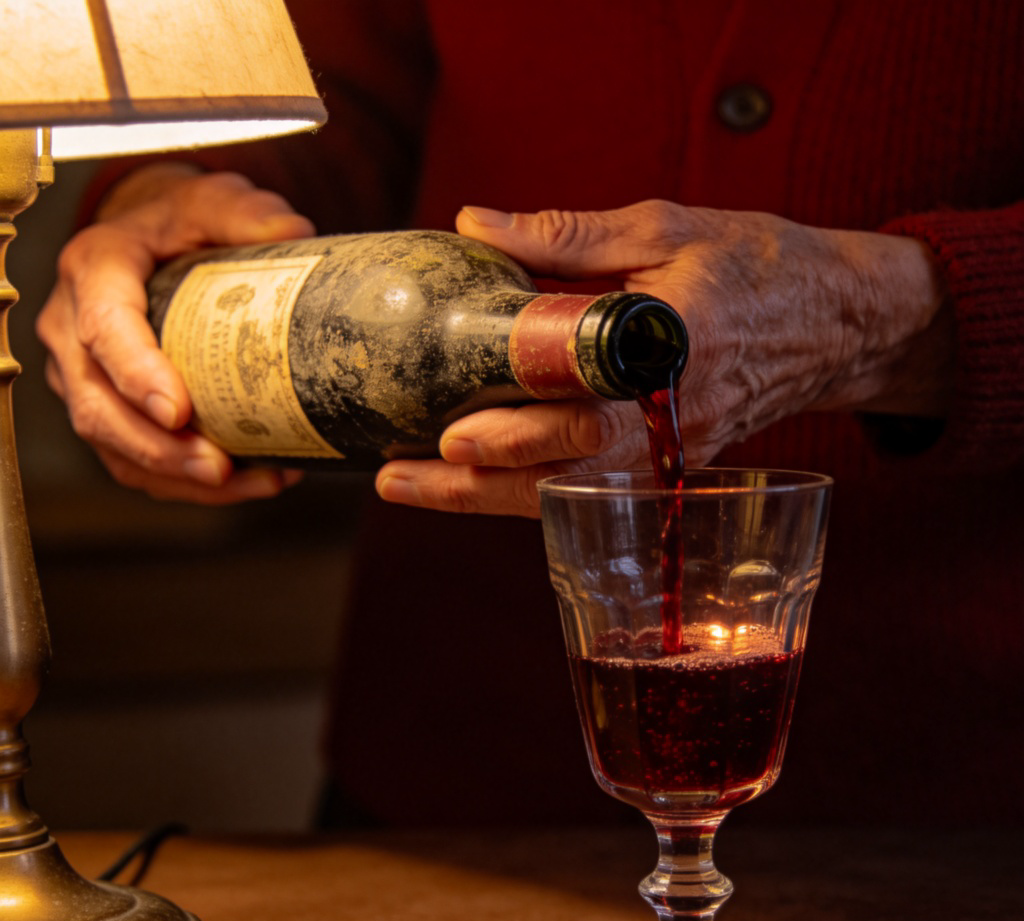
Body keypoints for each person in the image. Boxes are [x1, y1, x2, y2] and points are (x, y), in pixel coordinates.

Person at [37, 1, 1024, 827]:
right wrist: (168, 200)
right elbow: (335, 92)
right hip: (450, 799)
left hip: (964, 828)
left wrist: (889, 317)